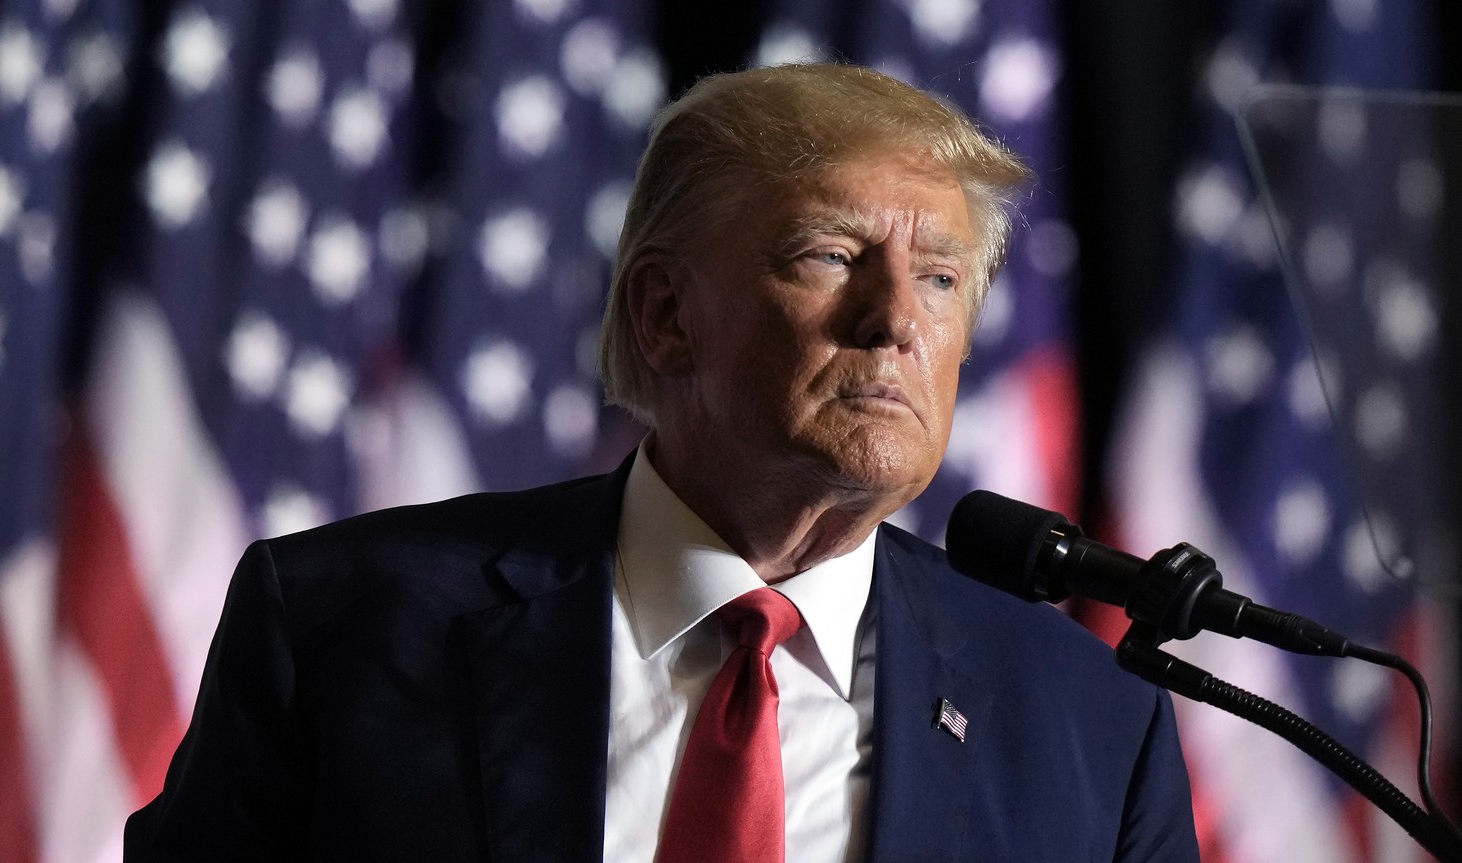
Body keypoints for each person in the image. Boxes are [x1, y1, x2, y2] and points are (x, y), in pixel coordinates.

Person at [126, 63, 1199, 861]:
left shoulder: (1086, 719)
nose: (893, 322)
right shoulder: (341, 624)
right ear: (666, 314)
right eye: (830, 256)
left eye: (942, 279)